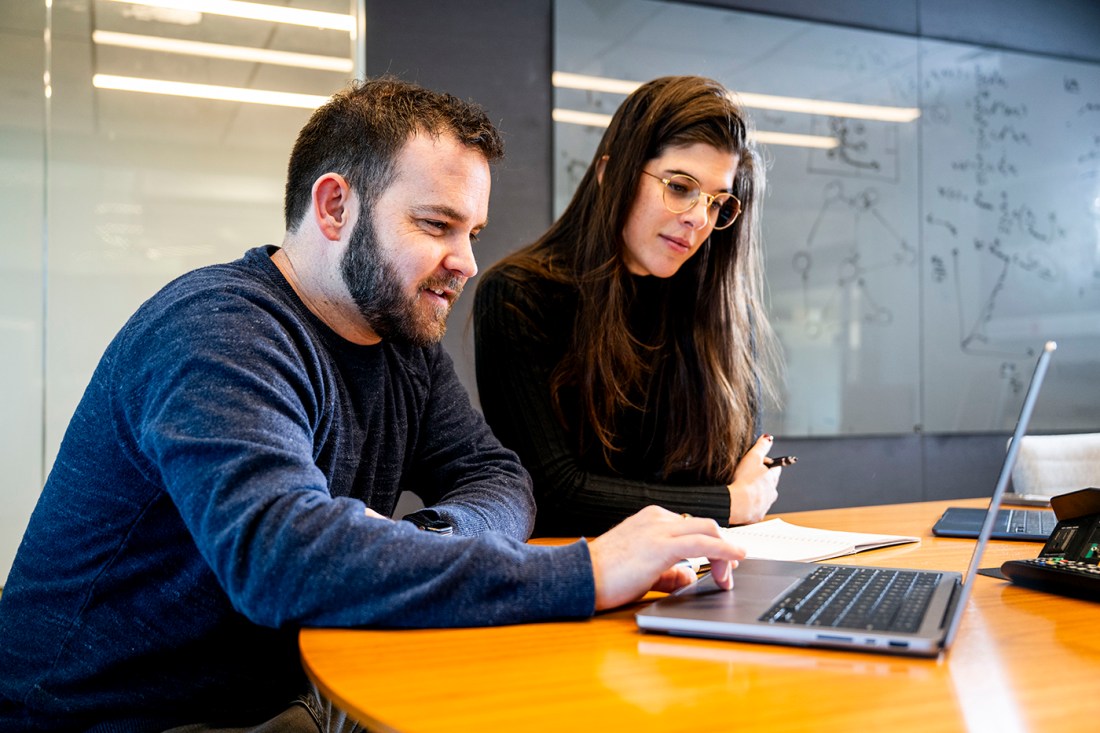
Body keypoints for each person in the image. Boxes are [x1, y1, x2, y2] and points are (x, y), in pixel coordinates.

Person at [0, 77, 745, 732]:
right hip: (116, 716)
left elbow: (498, 476)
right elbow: (282, 560)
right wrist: (584, 572)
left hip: (286, 693)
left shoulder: (402, 345)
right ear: (334, 206)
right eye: (436, 224)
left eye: (473, 232)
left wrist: (429, 539)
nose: (468, 261)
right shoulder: (218, 330)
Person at [474, 75, 784, 538]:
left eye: (718, 202)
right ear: (609, 174)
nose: (699, 219)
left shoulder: (719, 314)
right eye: (680, 186)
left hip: (702, 572)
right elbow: (555, 494)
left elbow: (740, 468)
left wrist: (727, 499)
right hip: (580, 578)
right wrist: (728, 503)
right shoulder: (519, 297)